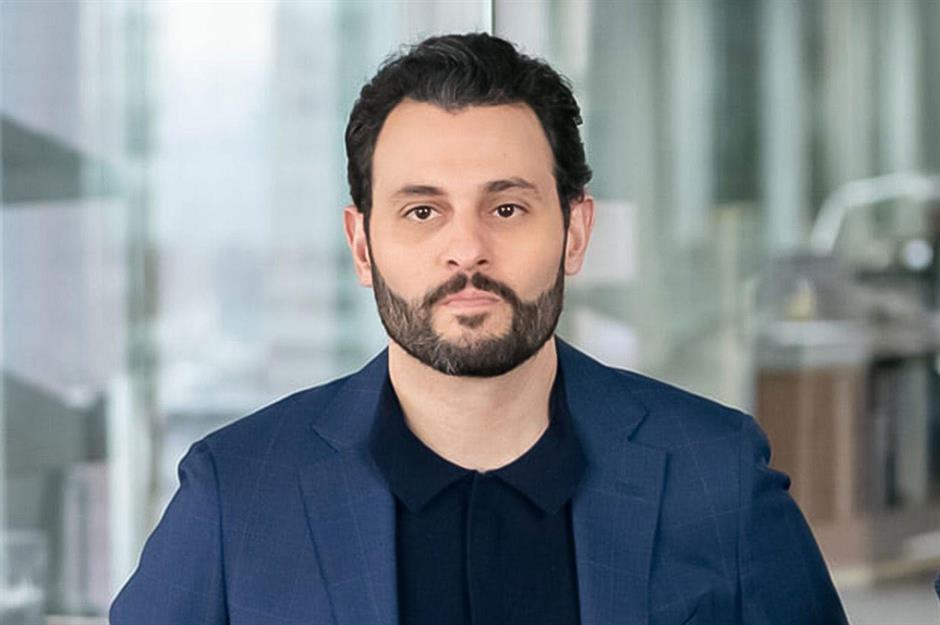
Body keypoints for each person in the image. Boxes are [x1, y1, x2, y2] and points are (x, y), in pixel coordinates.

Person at [109, 33, 848, 625]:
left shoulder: (717, 476)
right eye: (422, 211)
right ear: (362, 246)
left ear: (575, 232)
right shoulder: (236, 495)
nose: (467, 249)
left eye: (507, 208)